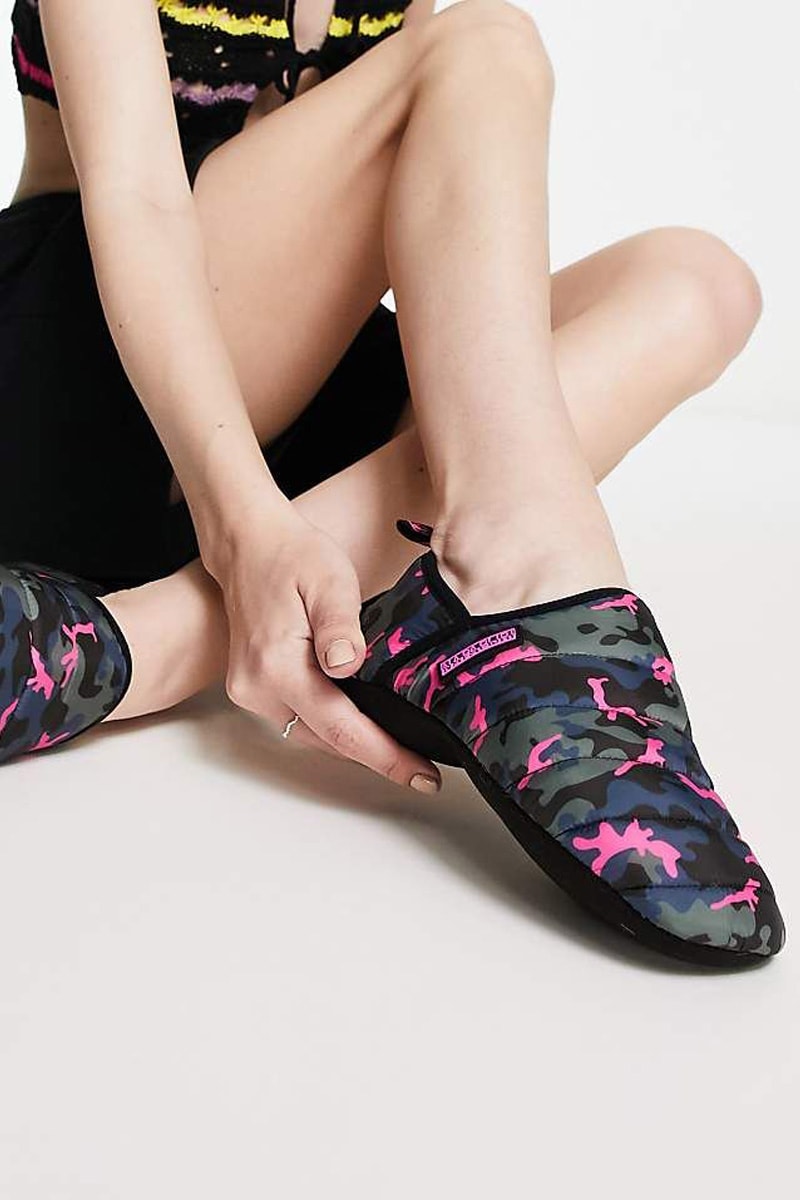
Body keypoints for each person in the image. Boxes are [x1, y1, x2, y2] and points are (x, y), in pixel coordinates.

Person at [0, 0, 784, 960]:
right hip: (81, 370)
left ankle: (127, 640)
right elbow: (140, 202)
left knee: (698, 286)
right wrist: (244, 522)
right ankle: (513, 580)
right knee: (481, 45)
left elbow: (429, 224)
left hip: (283, 413)